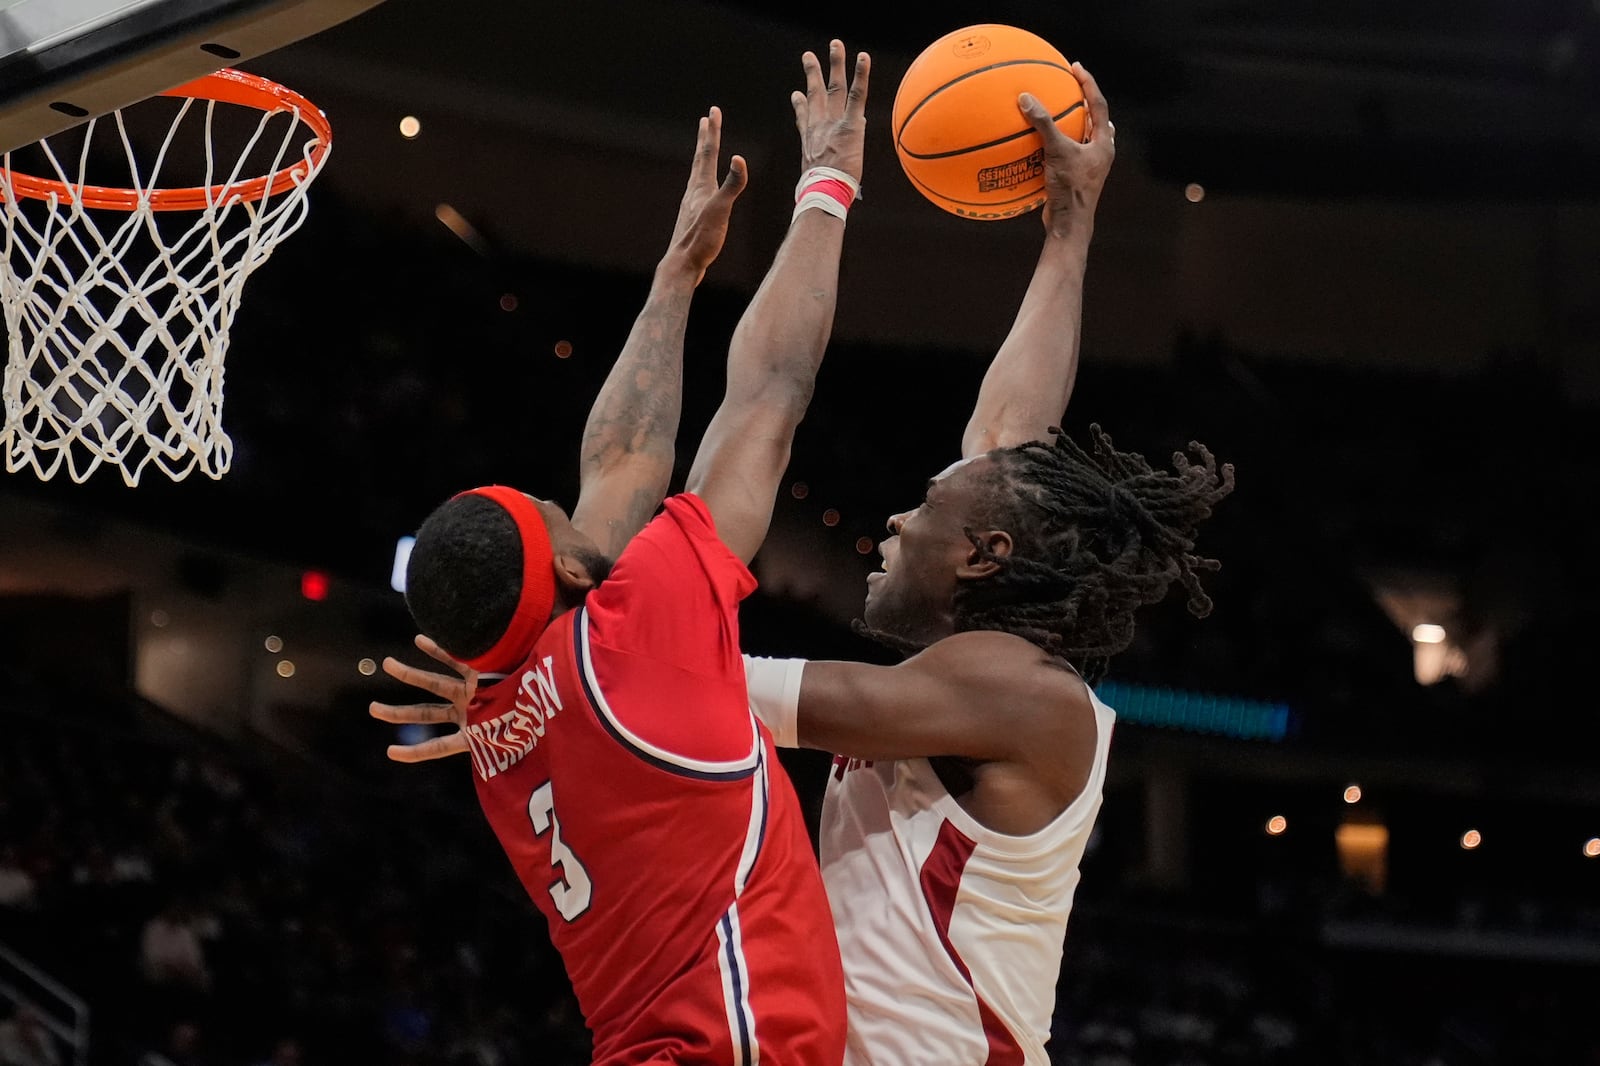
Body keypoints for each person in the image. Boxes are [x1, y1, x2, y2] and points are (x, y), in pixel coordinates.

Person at [379, 63, 1235, 1066]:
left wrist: (528, 671)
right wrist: (1061, 226)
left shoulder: (1020, 691)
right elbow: (999, 435)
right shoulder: (989, 656)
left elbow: (676, 669)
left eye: (924, 507)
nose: (893, 519)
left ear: (985, 554)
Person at [371, 39, 871, 1066]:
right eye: (554, 512)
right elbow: (766, 397)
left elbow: (621, 460)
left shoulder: (497, 727)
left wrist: (678, 272)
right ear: (562, 569)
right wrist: (826, 185)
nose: (574, 502)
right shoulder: (628, 640)